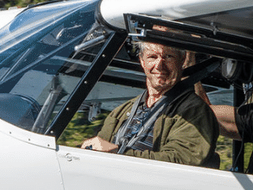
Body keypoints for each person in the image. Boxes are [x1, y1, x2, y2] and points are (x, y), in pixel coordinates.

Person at [80, 38, 219, 167]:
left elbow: (180, 162)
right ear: (142, 61)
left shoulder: (194, 111)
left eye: (168, 57)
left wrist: (117, 153)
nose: (159, 65)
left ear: (182, 60)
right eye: (153, 57)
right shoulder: (121, 112)